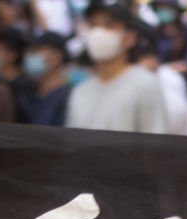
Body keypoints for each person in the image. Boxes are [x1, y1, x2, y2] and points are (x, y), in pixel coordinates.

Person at [66, 0, 169, 134]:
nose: (98, 32)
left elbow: (155, 146)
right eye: (93, 25)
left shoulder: (145, 85)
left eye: (109, 25)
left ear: (130, 38)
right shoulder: (80, 92)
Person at [22, 31, 73, 125]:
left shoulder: (67, 99)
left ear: (56, 58)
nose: (29, 57)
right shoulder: (30, 93)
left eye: (35, 51)